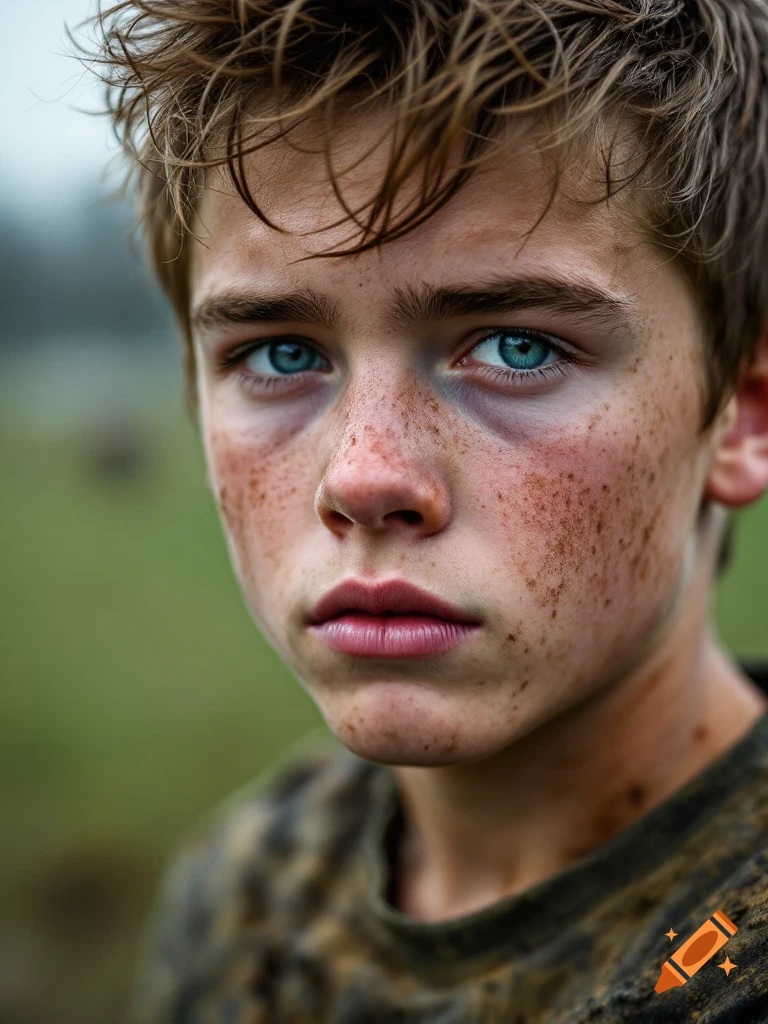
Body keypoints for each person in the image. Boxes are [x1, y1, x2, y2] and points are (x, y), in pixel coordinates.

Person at [85, 1, 768, 1020]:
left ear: (740, 417)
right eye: (280, 354)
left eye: (515, 347)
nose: (362, 477)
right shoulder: (245, 898)